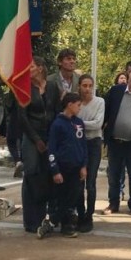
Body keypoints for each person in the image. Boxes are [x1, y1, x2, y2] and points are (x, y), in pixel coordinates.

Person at [18, 57, 61, 233]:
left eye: (31, 66)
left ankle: (46, 217)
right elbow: (22, 117)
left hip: (49, 134)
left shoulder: (52, 87)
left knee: (47, 174)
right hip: (31, 136)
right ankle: (30, 220)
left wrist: (52, 137)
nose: (28, 70)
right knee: (31, 173)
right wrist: (36, 140)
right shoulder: (24, 88)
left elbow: (57, 111)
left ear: (41, 68)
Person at [37, 93, 87, 239]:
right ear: (69, 105)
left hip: (76, 167)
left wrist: (84, 165)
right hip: (62, 167)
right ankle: (63, 225)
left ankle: (52, 221)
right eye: (78, 105)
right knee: (62, 197)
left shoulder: (79, 123)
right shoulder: (57, 124)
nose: (80, 108)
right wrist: (55, 170)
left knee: (74, 195)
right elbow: (52, 149)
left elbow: (83, 145)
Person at [102, 66, 131, 216]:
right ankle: (113, 203)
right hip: (115, 142)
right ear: (128, 75)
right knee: (113, 175)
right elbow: (106, 111)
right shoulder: (116, 91)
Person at [77, 74, 104, 232]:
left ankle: (89, 214)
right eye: (84, 86)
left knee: (91, 182)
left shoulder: (100, 102)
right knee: (79, 182)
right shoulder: (76, 102)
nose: (87, 89)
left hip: (94, 143)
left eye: (90, 86)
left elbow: (97, 124)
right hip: (79, 143)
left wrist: (78, 123)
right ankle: (80, 213)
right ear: (79, 86)